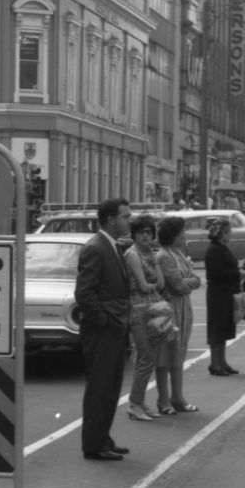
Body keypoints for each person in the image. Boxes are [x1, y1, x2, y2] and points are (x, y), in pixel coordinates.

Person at [74, 197, 132, 460]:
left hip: (116, 328)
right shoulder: (96, 248)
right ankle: (94, 444)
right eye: (125, 216)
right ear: (111, 219)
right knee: (100, 388)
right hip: (104, 330)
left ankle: (103, 438)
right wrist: (103, 320)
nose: (128, 221)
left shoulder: (114, 247)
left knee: (111, 387)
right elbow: (84, 294)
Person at [154, 216, 201, 414]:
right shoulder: (164, 256)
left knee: (178, 353)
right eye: (181, 231)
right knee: (165, 354)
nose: (184, 234)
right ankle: (163, 399)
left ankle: (178, 397)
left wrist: (187, 282)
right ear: (173, 234)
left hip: (182, 308)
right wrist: (188, 281)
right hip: (169, 309)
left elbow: (196, 280)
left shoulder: (178, 253)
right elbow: (179, 285)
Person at [124, 214, 166, 421]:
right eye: (142, 232)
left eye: (150, 232)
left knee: (148, 357)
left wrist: (154, 259)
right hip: (138, 309)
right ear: (134, 234)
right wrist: (151, 284)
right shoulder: (132, 254)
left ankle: (140, 402)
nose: (146, 236)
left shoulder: (148, 253)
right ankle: (134, 403)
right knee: (145, 357)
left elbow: (160, 283)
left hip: (152, 308)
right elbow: (143, 285)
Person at [204, 218, 242, 375]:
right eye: (228, 231)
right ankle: (215, 363)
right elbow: (217, 274)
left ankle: (222, 361)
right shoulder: (213, 250)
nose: (230, 234)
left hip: (227, 293)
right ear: (221, 233)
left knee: (225, 327)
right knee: (217, 329)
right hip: (218, 294)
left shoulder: (222, 248)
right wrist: (238, 274)